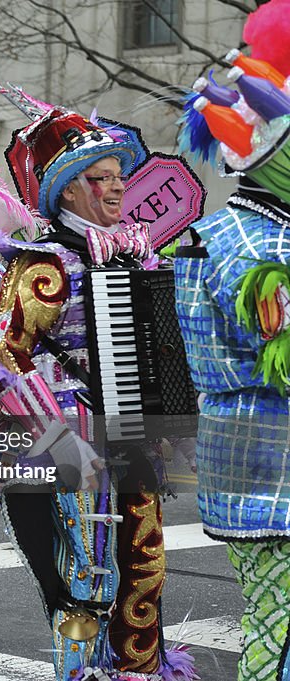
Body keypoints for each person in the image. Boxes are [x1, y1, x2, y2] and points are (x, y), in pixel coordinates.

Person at [0, 91, 196, 680]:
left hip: (132, 434)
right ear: (69, 191)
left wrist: (172, 414)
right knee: (83, 576)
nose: (118, 186)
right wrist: (60, 441)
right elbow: (6, 360)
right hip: (65, 437)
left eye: (119, 174)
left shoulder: (139, 256)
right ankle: (78, 674)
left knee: (144, 562)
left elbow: (162, 348)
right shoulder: (43, 263)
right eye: (101, 178)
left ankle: (136, 670)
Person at [173, 33, 290, 681]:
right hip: (273, 473)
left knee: (273, 623)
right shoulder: (254, 244)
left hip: (249, 458)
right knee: (278, 632)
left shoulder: (233, 228)